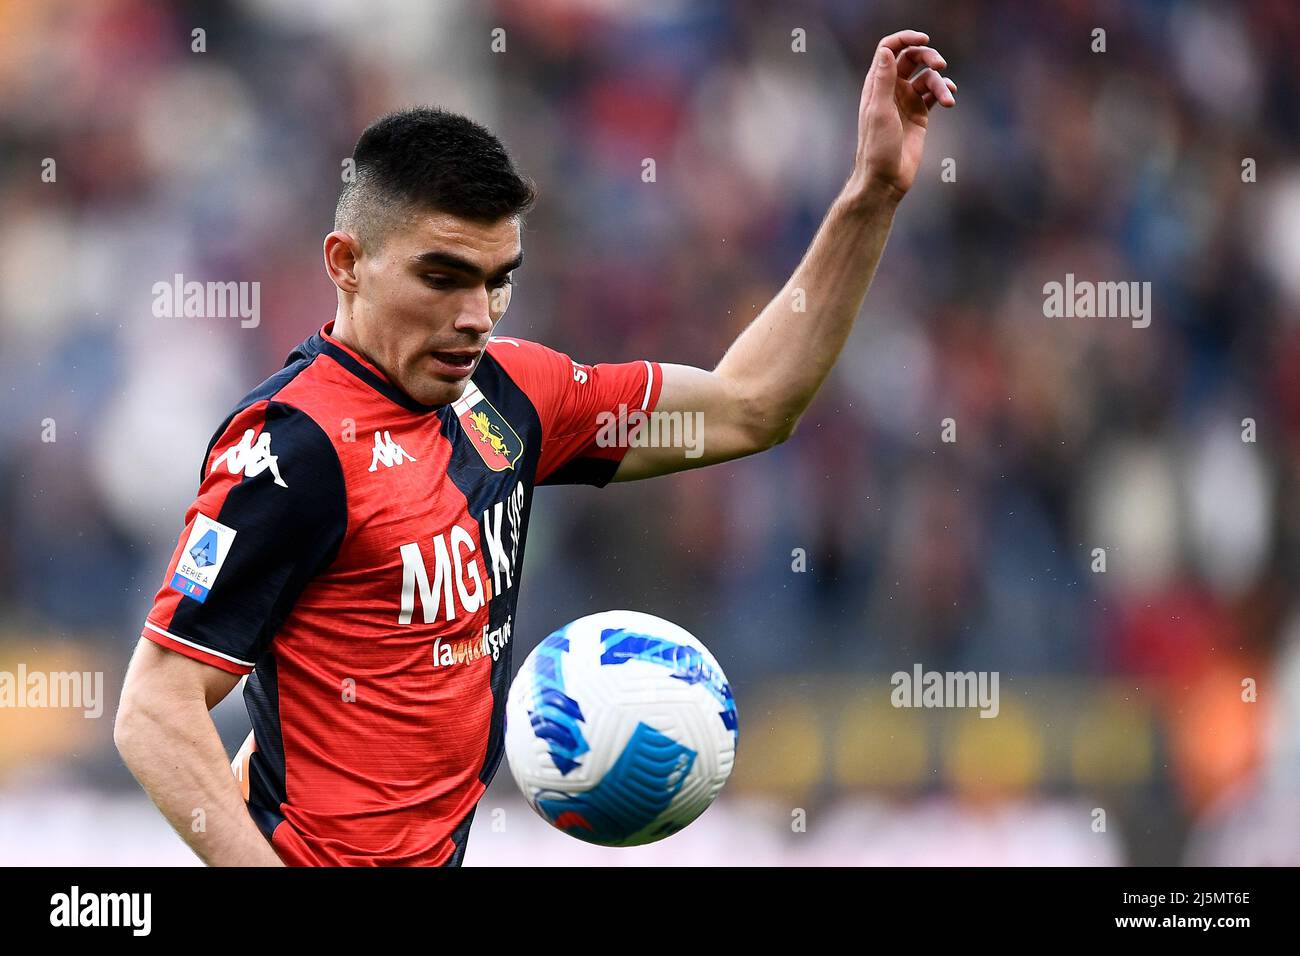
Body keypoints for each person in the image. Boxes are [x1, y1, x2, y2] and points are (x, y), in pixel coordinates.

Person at [113, 30, 956, 866]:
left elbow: (749, 407)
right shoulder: (291, 448)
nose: (476, 315)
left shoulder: (512, 394)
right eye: (442, 277)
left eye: (497, 280)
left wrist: (872, 191)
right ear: (347, 263)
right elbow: (156, 706)